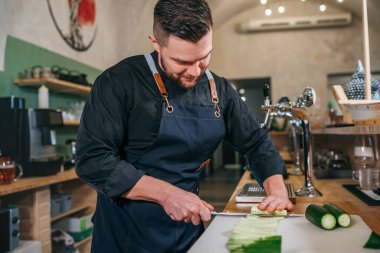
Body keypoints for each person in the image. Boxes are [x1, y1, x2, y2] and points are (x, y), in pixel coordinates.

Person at [75, 0, 294, 252]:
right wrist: (167, 195)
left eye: (203, 58)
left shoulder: (219, 90)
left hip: (188, 230)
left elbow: (256, 142)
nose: (194, 71)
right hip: (127, 235)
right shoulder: (117, 83)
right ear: (155, 43)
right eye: (181, 61)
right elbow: (92, 160)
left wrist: (276, 189)